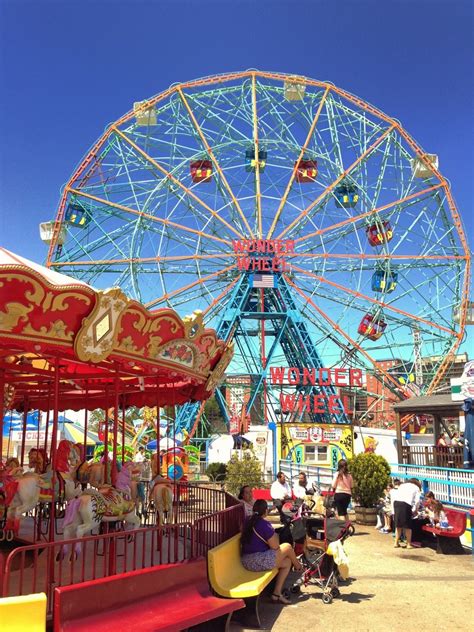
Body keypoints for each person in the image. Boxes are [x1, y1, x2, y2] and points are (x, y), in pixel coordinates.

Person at [240, 499, 303, 604]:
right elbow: (275, 547)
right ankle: (299, 567)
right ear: (265, 511)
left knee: (287, 562)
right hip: (257, 561)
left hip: (246, 561)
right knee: (287, 547)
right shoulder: (264, 524)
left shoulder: (247, 520)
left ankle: (276, 594)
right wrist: (275, 535)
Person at [393, 478, 421, 549]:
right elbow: (417, 501)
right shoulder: (416, 488)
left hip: (396, 503)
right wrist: (415, 510)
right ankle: (408, 544)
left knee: (398, 525)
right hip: (406, 504)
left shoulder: (402, 485)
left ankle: (396, 542)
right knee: (408, 526)